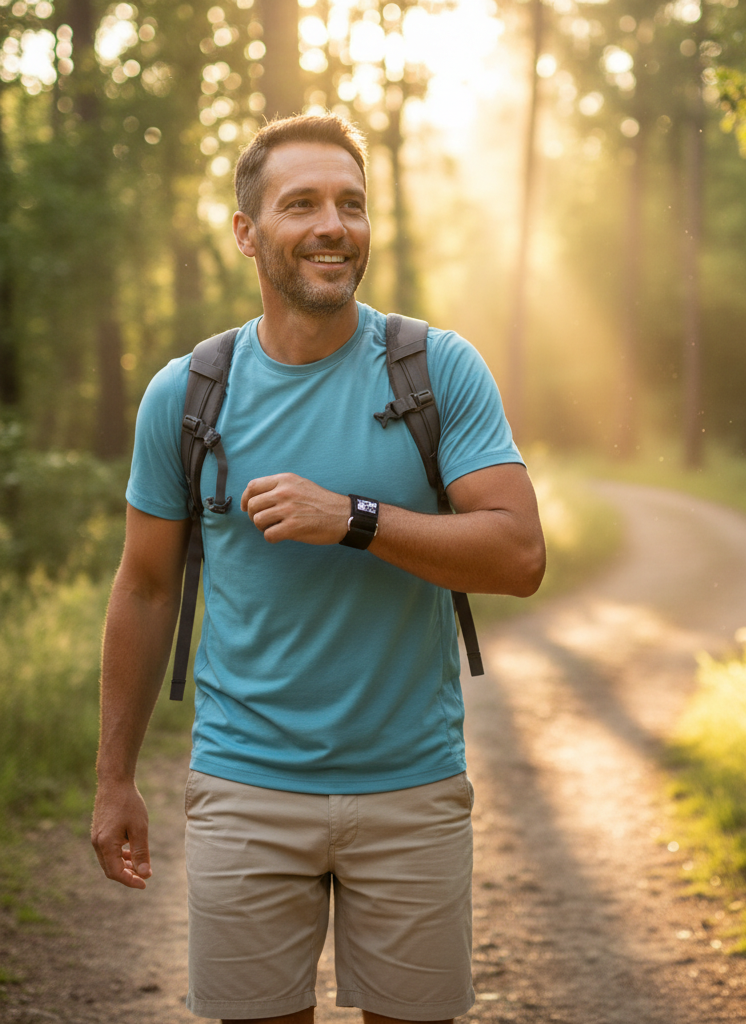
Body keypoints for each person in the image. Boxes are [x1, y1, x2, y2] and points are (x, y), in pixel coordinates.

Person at [90, 114, 546, 1024]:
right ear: (248, 234)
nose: (334, 225)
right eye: (301, 204)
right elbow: (143, 587)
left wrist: (355, 519)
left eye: (352, 204)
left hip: (412, 784)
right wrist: (114, 778)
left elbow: (518, 553)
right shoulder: (187, 395)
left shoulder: (433, 369)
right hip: (245, 786)